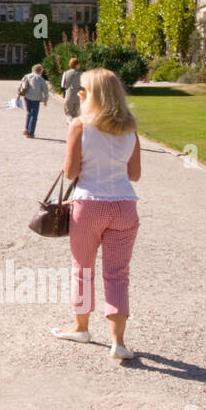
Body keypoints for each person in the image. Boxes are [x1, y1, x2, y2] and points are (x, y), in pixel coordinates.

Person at [51, 67, 142, 362]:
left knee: (83, 268)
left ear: (90, 95)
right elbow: (135, 174)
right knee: (118, 273)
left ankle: (80, 326)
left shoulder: (79, 125)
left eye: (84, 90)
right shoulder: (130, 129)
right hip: (124, 204)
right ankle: (118, 342)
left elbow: (71, 172)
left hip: (89, 203)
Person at [18, 63, 50, 138]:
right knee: (34, 115)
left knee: (29, 113)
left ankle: (26, 129)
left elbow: (21, 85)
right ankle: (30, 132)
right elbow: (46, 90)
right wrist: (45, 100)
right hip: (36, 99)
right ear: (40, 71)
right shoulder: (40, 79)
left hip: (27, 97)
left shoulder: (27, 76)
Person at [61, 56, 82, 121]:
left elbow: (63, 85)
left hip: (69, 94)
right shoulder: (82, 74)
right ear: (77, 65)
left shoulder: (66, 73)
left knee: (69, 114)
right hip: (79, 95)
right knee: (77, 114)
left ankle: (70, 127)